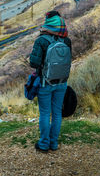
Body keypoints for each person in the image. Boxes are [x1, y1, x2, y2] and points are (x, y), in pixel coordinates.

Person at [29, 10, 72, 152]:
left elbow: (34, 64)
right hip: (62, 82)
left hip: (45, 83)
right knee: (57, 113)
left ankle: (43, 145)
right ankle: (53, 144)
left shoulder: (41, 40)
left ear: (49, 23)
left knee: (45, 113)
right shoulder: (66, 40)